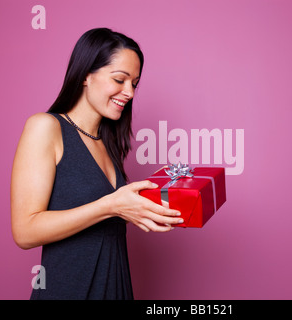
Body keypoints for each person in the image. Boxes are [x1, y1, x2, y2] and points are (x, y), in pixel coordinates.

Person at [10, 28, 183, 300]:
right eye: (120, 79)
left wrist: (146, 208)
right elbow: (25, 231)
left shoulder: (108, 142)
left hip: (115, 287)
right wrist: (111, 205)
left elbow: (107, 222)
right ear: (86, 76)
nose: (130, 93)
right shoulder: (45, 127)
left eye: (135, 83)